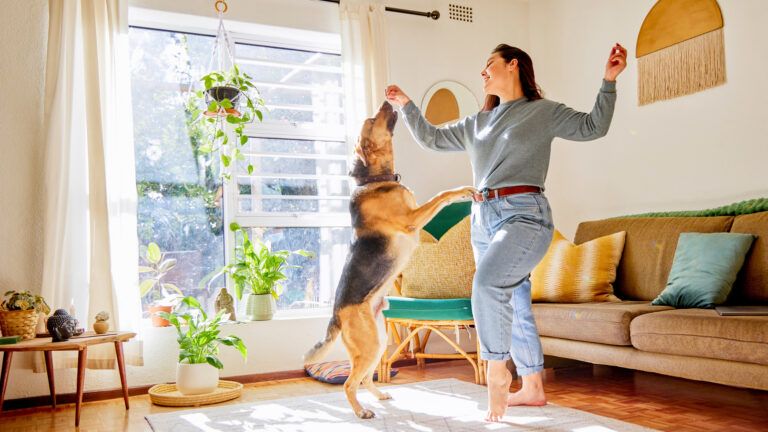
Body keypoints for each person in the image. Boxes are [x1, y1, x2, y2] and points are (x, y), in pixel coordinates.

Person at [385, 43, 627, 422]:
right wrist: (407, 105)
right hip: (482, 218)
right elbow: (431, 138)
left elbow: (593, 127)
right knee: (514, 302)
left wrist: (608, 81)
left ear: (513, 65)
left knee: (486, 284)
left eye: (489, 65)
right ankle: (532, 387)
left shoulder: (542, 112)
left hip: (524, 217)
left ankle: (497, 368)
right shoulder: (476, 123)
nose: (483, 73)